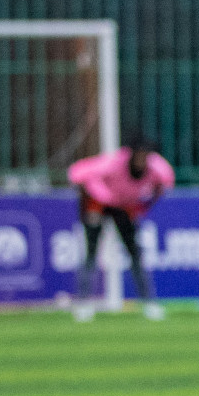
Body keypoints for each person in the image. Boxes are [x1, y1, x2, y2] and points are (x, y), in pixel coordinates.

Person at [67, 138, 174, 322]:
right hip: (98, 203)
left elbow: (164, 185)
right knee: (91, 252)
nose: (141, 161)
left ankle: (149, 303)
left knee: (136, 254)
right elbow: (77, 173)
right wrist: (101, 195)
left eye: (144, 157)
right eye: (138, 157)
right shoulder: (114, 163)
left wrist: (142, 206)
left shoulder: (157, 168)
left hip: (125, 207)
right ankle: (84, 304)